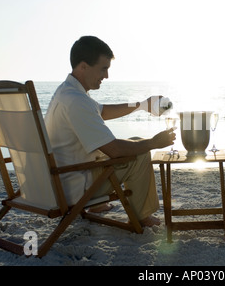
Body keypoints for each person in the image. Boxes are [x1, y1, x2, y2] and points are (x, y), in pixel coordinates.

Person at [44, 36, 176, 227]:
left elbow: (103, 111)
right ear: (83, 66)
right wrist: (153, 143)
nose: (106, 76)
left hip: (61, 177)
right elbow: (113, 150)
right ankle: (141, 216)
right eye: (103, 68)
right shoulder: (76, 101)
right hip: (74, 186)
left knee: (135, 141)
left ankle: (98, 206)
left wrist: (142, 105)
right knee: (140, 152)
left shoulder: (67, 92)